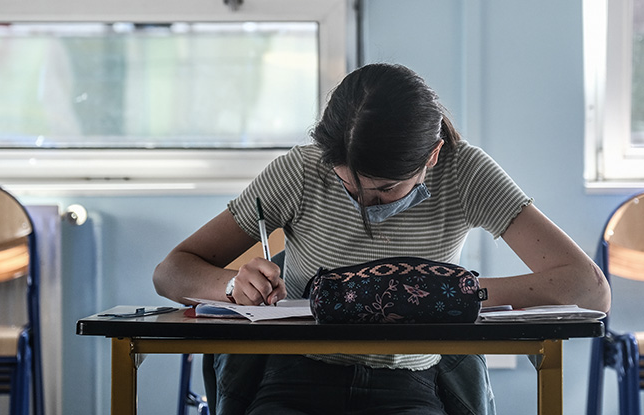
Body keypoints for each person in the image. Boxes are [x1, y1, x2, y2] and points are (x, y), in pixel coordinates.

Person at [153, 62, 611, 415]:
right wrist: (234, 286)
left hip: (408, 381)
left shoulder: (465, 172)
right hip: (296, 375)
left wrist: (445, 294)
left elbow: (588, 289)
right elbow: (171, 271)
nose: (365, 207)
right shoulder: (301, 170)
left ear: (431, 156)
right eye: (350, 189)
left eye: (386, 190)